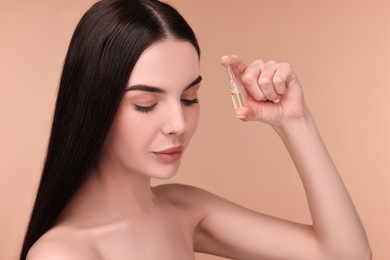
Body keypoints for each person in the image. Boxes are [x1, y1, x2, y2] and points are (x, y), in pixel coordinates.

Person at [20, 0, 371, 259]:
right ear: (93, 104)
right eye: (146, 104)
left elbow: (346, 255)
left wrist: (295, 122)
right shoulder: (64, 253)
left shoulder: (185, 210)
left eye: (190, 98)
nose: (178, 125)